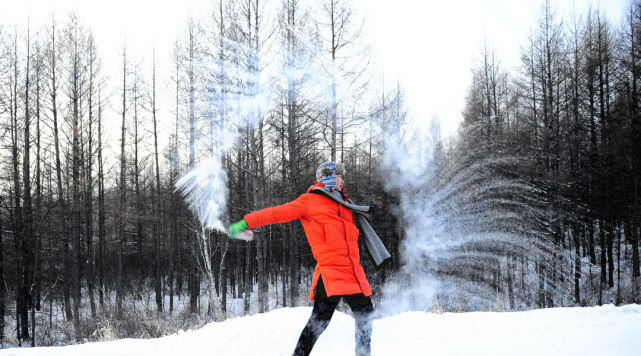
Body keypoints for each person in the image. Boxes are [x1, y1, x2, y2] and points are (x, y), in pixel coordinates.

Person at [228, 161, 375, 356]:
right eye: (340, 176)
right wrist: (245, 223)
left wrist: (364, 210)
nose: (343, 180)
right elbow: (275, 213)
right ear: (330, 177)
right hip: (330, 273)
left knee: (365, 313)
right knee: (319, 322)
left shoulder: (345, 204)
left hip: (353, 272)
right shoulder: (309, 201)